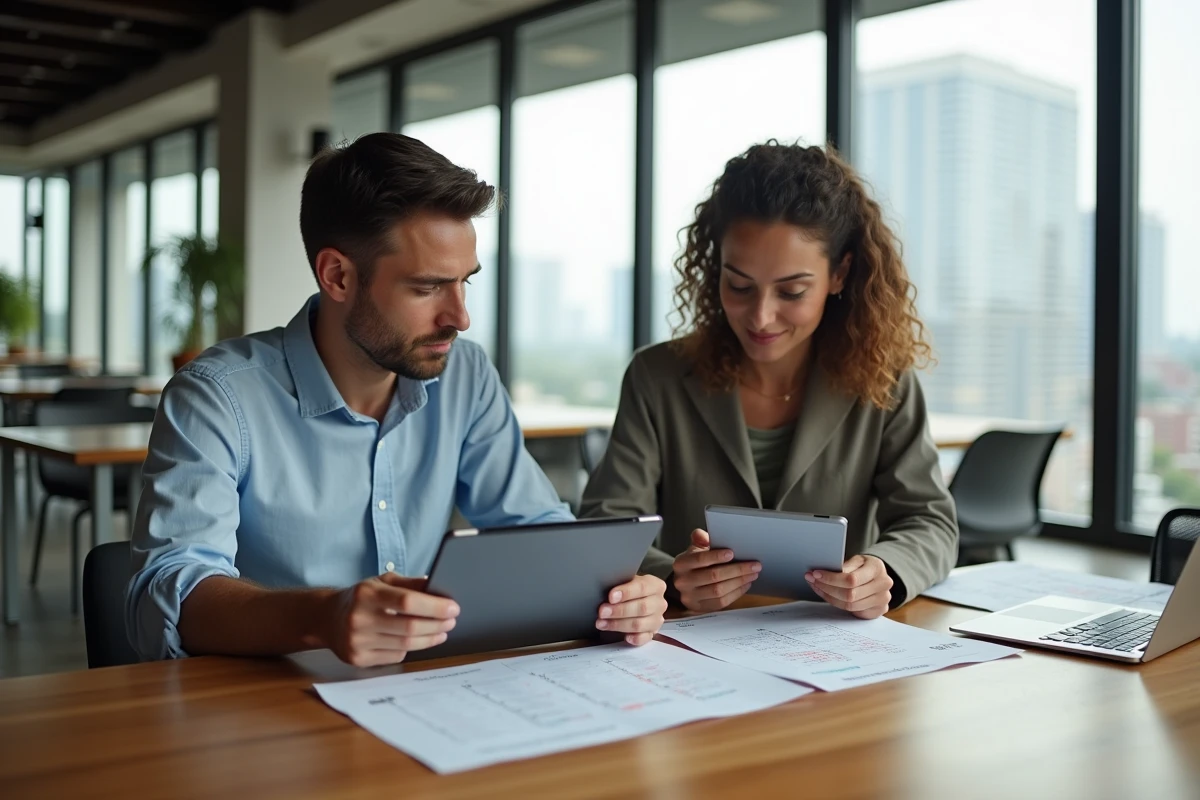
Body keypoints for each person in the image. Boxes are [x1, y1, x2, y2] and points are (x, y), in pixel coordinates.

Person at [126, 133, 667, 666]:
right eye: (427, 287)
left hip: (426, 697)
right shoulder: (218, 397)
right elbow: (173, 595)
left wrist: (618, 592)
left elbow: (533, 524)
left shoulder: (465, 373)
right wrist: (323, 617)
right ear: (337, 275)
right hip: (264, 709)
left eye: (465, 283)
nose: (460, 317)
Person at [580, 141, 957, 619]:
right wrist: (672, 578)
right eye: (738, 285)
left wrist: (885, 570)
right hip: (692, 643)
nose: (760, 316)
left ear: (839, 274)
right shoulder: (658, 377)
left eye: (792, 291)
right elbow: (607, 523)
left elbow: (930, 521)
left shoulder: (884, 379)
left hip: (832, 645)